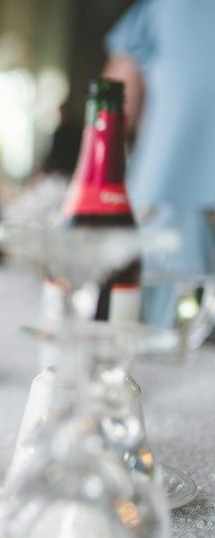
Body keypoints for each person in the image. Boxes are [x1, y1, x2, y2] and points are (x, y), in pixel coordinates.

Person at [103, 0, 215, 324]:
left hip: (164, 200)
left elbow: (114, 110)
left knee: (154, 343)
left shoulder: (160, 9)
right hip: (168, 205)